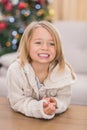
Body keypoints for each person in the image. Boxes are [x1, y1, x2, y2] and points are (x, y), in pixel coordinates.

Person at [7, 20, 76, 119]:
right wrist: (39, 108)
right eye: (38, 42)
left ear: (58, 48)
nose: (45, 48)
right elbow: (17, 102)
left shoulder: (63, 71)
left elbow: (64, 99)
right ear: (27, 45)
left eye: (52, 44)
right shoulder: (15, 71)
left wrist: (55, 104)